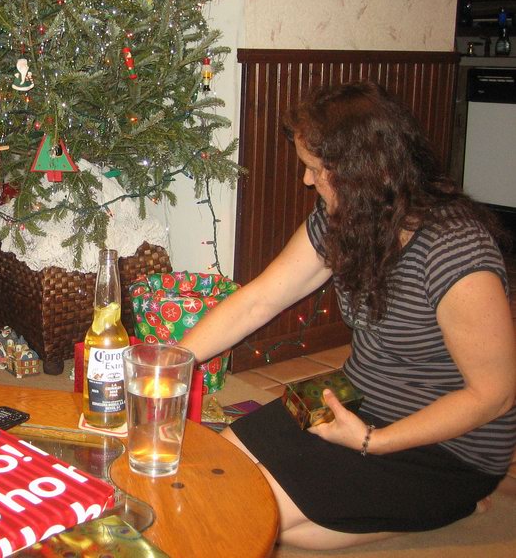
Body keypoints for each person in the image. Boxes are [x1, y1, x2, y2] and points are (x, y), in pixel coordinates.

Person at [179, 81, 516, 550]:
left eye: (316, 169)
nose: (307, 181)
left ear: (364, 171)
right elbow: (259, 300)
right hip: (350, 393)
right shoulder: (343, 219)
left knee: (249, 511)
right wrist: (170, 359)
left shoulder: (456, 252)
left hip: (450, 447)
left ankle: (452, 502)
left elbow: (494, 397)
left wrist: (373, 441)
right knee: (212, 469)